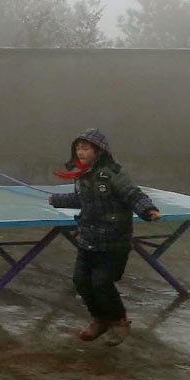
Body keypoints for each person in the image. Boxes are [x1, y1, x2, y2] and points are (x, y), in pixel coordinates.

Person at [47, 129, 161, 343]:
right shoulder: (82, 174)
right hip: (87, 239)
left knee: (101, 283)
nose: (80, 152)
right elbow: (84, 198)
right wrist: (57, 199)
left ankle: (119, 322)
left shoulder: (113, 172)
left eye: (85, 148)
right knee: (80, 281)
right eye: (78, 148)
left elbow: (132, 194)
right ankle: (100, 320)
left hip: (113, 241)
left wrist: (147, 210)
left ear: (98, 151)